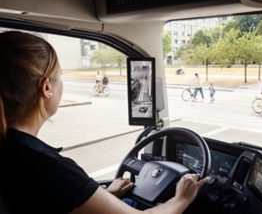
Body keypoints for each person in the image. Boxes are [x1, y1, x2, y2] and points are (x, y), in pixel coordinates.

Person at [0, 31, 207, 214]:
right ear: (46, 88)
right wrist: (183, 197)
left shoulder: (14, 151)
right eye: (59, 76)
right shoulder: (47, 166)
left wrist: (103, 195)